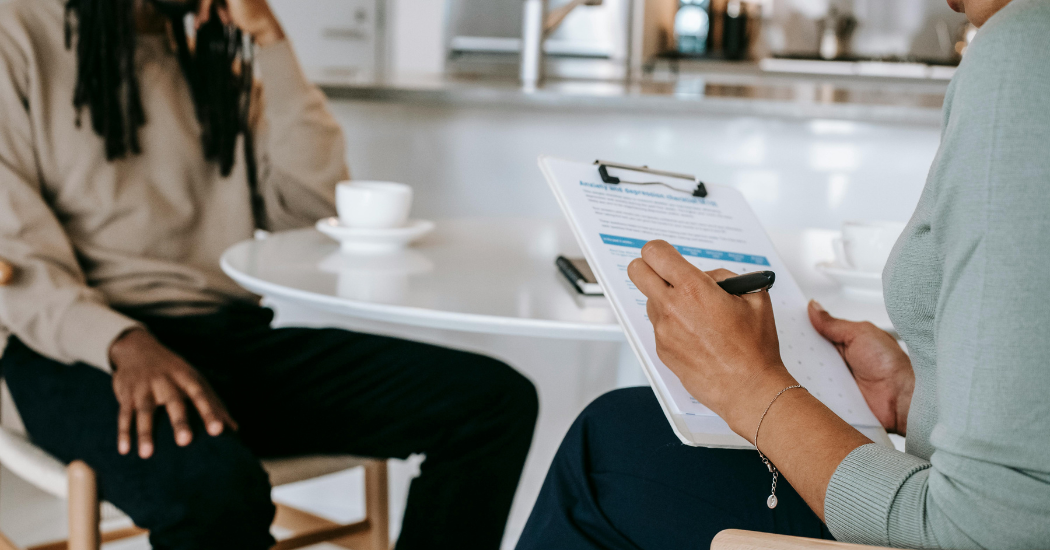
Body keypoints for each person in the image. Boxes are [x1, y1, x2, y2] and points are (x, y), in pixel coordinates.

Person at [0, 1, 538, 549]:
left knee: (492, 405)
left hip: (226, 339)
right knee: (215, 493)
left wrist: (275, 47)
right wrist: (122, 343)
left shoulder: (212, 61)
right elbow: (13, 252)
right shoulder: (18, 32)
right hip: (74, 350)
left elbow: (310, 208)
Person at [516, 0, 1050, 548]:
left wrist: (751, 387)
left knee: (610, 445)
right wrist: (915, 399)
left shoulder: (1025, 49)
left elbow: (987, 531)